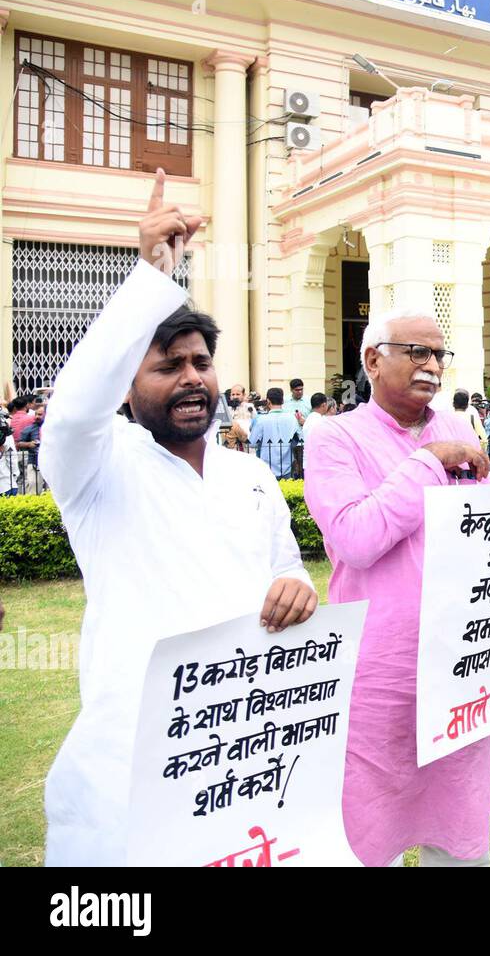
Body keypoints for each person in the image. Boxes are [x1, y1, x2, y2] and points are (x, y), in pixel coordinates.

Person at [41, 169, 316, 865]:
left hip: (245, 749)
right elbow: (74, 407)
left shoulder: (250, 475)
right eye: (168, 365)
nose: (193, 376)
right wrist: (149, 279)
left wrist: (298, 591)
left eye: (202, 361)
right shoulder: (99, 470)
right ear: (128, 388)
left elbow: (284, 574)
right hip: (132, 760)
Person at [304, 308, 490, 867]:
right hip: (379, 669)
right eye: (416, 352)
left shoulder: (457, 430)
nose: (432, 365)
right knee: (370, 830)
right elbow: (355, 538)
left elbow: (487, 533)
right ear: (372, 360)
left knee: (458, 832)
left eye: (439, 354)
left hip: (460, 665)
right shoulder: (334, 438)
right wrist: (426, 462)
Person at [248, 386, 299, 480]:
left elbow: (252, 443)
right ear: (282, 401)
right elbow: (298, 440)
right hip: (287, 465)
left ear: (268, 401)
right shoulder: (292, 418)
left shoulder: (261, 420)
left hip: (267, 467)